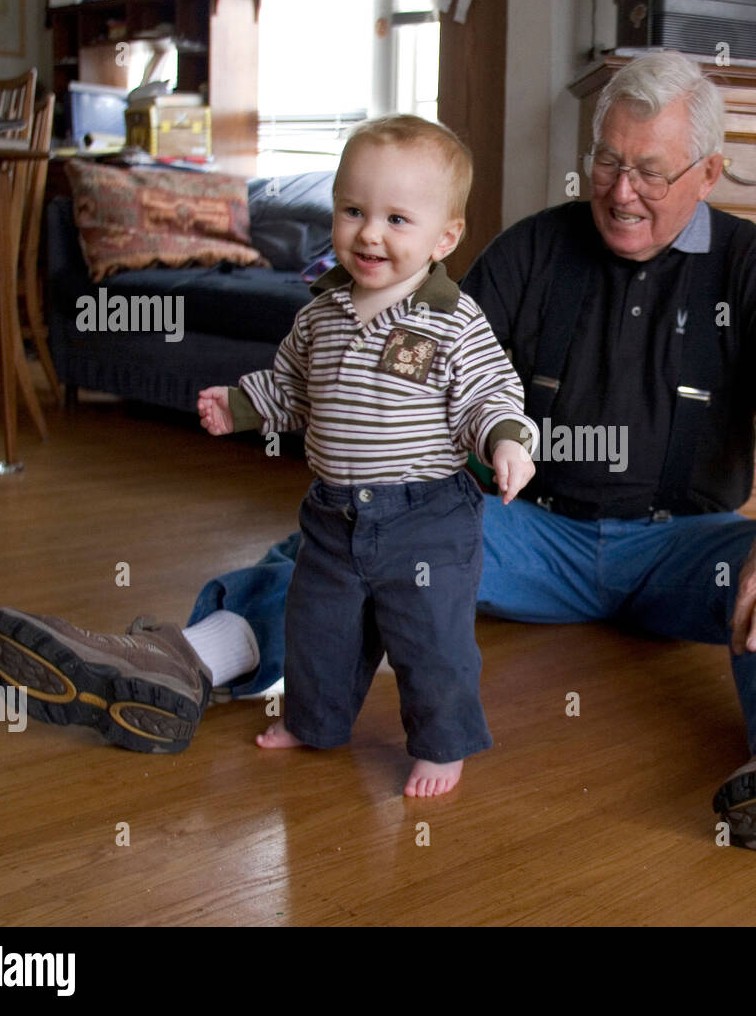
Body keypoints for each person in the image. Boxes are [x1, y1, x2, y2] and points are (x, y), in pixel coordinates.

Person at [0, 51, 756, 851]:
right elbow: (418, 348)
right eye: (605, 162)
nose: (619, 191)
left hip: (684, 544)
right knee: (354, 537)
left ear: (707, 172)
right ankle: (180, 662)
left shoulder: (751, 263)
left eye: (649, 170)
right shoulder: (535, 250)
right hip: (523, 531)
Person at [196, 114, 537, 797]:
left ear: (445, 237)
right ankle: (313, 720)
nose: (369, 233)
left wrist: (506, 440)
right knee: (317, 627)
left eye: (396, 219)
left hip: (427, 517)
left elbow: (489, 394)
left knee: (430, 639)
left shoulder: (451, 319)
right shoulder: (318, 313)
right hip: (331, 513)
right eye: (353, 211)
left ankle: (442, 743)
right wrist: (239, 406)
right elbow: (291, 391)